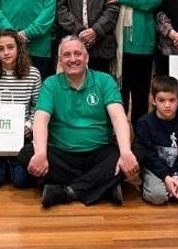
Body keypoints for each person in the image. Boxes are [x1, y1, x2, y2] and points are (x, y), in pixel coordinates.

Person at [19, 36, 138, 208]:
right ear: (60, 60)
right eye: (67, 55)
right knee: (27, 153)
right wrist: (40, 154)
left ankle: (68, 191)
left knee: (137, 151)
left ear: (86, 57)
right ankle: (103, 186)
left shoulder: (104, 80)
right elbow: (40, 120)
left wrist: (126, 153)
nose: (73, 59)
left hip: (99, 153)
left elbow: (119, 118)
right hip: (62, 155)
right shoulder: (51, 84)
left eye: (77, 53)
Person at [104, 0, 166, 121]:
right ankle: (117, 134)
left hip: (140, 42)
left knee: (140, 97)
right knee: (115, 96)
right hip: (111, 42)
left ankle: (139, 135)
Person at [0, 31, 41, 188]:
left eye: (10, 47)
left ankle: (10, 165)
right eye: (1, 49)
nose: (6, 52)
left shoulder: (33, 74)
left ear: (19, 48)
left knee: (21, 181)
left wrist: (29, 125)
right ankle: (2, 164)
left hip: (21, 136)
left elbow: (37, 107)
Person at [133, 76, 178, 206]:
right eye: (161, 100)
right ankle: (153, 185)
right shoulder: (144, 122)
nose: (167, 105)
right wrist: (166, 177)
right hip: (154, 169)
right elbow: (148, 155)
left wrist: (176, 175)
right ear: (153, 100)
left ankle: (172, 188)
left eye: (172, 100)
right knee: (157, 197)